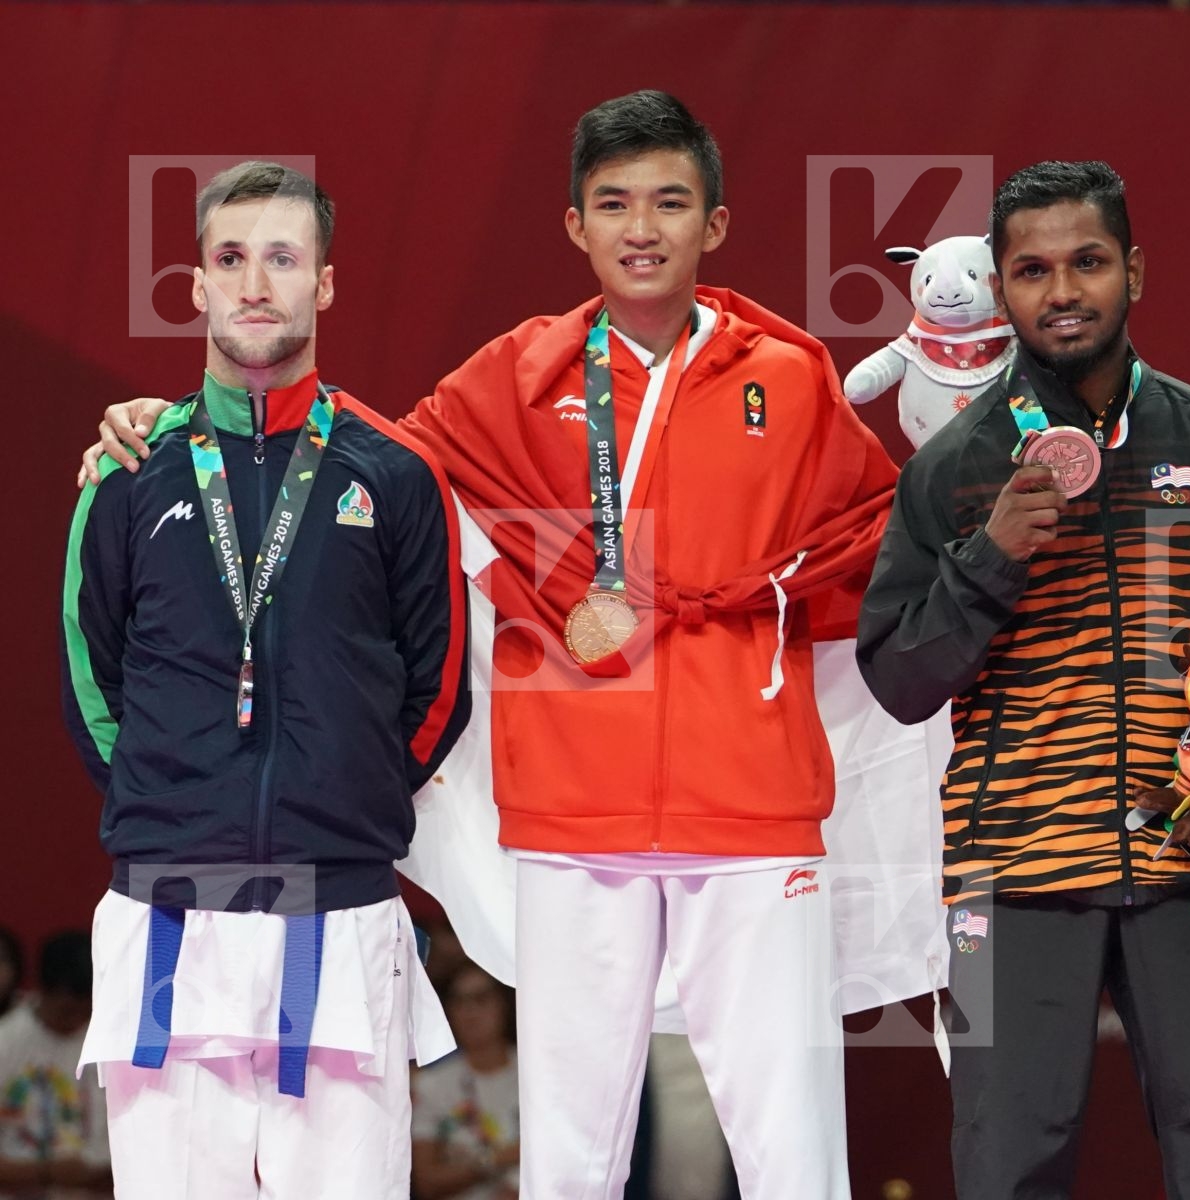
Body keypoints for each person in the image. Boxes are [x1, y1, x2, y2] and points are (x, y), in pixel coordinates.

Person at [81, 92, 899, 1199]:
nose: (641, 228)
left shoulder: (790, 376)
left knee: (798, 1160)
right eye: (614, 203)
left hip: (751, 806)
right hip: (569, 818)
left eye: (669, 202)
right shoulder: (517, 373)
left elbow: (878, 544)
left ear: (715, 221)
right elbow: (345, 460)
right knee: (566, 1168)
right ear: (575, 224)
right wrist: (167, 420)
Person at [858, 160, 1190, 1200]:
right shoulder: (954, 466)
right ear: (1001, 286)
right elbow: (900, 679)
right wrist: (991, 557)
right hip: (1011, 872)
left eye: (1088, 263)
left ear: (1133, 271)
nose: (1062, 291)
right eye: (1033, 270)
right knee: (1006, 1170)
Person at [60, 161, 468, 1198]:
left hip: (339, 905)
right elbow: (89, 672)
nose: (254, 284)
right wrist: (172, 795)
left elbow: (440, 684)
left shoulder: (395, 472)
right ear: (197, 283)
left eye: (282, 259)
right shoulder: (129, 470)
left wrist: (345, 794)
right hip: (169, 907)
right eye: (231, 259)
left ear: (323, 282)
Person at [0, 933, 110, 1197]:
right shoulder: (7, 1041)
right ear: (44, 991)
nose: (76, 1020)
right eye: (67, 1011)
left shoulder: (107, 1044)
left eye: (86, 1011)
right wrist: (45, 1172)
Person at [412, 961, 520, 1200]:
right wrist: (498, 1158)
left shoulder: (535, 1076)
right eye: (459, 1001)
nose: (470, 1011)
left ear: (504, 1004)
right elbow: (427, 1182)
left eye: (481, 999)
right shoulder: (432, 1084)